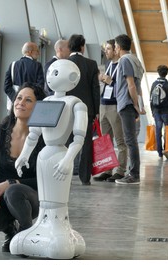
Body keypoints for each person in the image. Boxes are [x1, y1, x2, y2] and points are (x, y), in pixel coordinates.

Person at [11, 59, 87, 259]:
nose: (50, 76)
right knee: (45, 199)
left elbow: (79, 137)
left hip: (61, 157)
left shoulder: (76, 104)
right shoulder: (45, 103)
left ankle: (59, 228)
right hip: (45, 157)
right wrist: (24, 155)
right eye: (50, 72)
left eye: (55, 72)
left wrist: (69, 158)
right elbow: (34, 134)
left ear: (71, 77)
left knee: (57, 200)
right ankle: (42, 226)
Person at [0, 82, 47, 253]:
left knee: (13, 191)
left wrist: (11, 182)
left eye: (28, 100)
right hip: (4, 196)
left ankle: (25, 235)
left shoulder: (45, 137)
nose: (20, 102)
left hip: (33, 197)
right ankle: (11, 231)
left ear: (38, 107)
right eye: (19, 98)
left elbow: (45, 179)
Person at [66, 34, 100, 185]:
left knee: (65, 141)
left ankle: (64, 173)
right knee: (86, 142)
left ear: (69, 47)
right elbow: (95, 89)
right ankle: (85, 177)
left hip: (67, 108)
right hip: (86, 109)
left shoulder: (64, 63)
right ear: (82, 47)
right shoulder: (91, 64)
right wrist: (96, 110)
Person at [94, 39, 127, 182]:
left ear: (116, 50)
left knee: (120, 140)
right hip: (103, 104)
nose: (106, 51)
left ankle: (120, 170)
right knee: (105, 141)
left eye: (108, 49)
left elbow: (123, 86)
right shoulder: (108, 65)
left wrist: (110, 81)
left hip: (114, 106)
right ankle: (107, 169)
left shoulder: (122, 65)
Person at [113, 34, 143, 185]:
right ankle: (134, 173)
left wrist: (135, 105)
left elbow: (131, 84)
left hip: (127, 103)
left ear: (118, 47)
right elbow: (138, 86)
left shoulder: (124, 60)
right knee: (131, 139)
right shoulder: (135, 59)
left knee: (130, 140)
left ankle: (133, 175)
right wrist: (139, 104)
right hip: (132, 103)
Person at [4, 42, 44, 111]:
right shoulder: (37, 65)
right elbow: (40, 86)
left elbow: (6, 86)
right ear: (30, 52)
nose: (39, 53)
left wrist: (16, 99)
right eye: (37, 51)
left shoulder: (13, 65)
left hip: (14, 105)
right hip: (31, 105)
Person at [150, 65, 168, 160]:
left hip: (157, 111)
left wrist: (152, 111)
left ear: (158, 72)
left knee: (158, 131)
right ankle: (167, 150)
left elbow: (151, 99)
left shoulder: (154, 84)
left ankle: (159, 152)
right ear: (166, 73)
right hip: (167, 112)